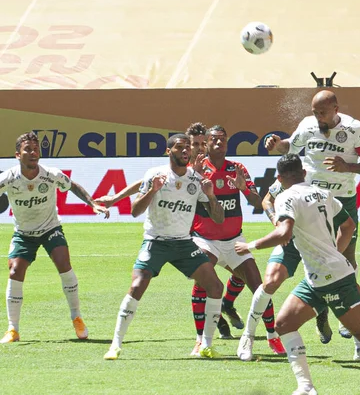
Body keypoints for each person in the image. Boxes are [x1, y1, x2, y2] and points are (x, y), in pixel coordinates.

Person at [234, 154, 360, 395]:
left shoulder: (285, 197)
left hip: (332, 277)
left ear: (279, 178)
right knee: (285, 324)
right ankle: (306, 387)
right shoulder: (323, 193)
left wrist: (251, 246)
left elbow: (284, 233)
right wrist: (335, 253)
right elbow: (348, 225)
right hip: (318, 276)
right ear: (303, 173)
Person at [95, 123, 246, 341]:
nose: (199, 148)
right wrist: (115, 198)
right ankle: (209, 330)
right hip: (190, 231)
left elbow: (215, 201)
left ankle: (225, 307)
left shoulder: (206, 167)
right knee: (203, 282)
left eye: (203, 144)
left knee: (235, 274)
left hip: (206, 228)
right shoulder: (180, 165)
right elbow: (144, 184)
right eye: (195, 144)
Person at [265, 89, 360, 339]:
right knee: (312, 257)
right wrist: (277, 145)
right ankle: (321, 308)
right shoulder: (307, 125)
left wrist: (347, 166)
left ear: (336, 109)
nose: (318, 117)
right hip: (312, 200)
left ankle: (346, 314)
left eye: (323, 113)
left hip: (343, 199)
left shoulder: (355, 129)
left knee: (345, 258)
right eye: (315, 112)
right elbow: (289, 148)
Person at [235, 178, 360, 362]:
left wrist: (333, 254)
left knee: (349, 282)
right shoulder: (292, 177)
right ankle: (247, 337)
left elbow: (347, 223)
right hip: (290, 242)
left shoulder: (324, 183)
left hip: (318, 245)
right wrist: (275, 219)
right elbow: (267, 200)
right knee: (271, 282)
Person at [0, 132, 110, 344]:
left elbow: (73, 186)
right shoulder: (9, 178)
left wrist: (92, 203)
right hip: (23, 233)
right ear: (17, 155)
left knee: (63, 263)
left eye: (36, 149)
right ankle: (13, 329)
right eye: (27, 150)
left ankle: (76, 317)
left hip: (51, 228)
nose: (33, 153)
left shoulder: (50, 174)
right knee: (15, 270)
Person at [188, 125, 285, 357]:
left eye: (222, 139)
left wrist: (243, 188)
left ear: (227, 143)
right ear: (207, 143)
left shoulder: (237, 168)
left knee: (259, 285)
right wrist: (196, 175)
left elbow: (255, 202)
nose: (218, 143)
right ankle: (201, 340)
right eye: (214, 140)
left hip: (234, 241)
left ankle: (272, 337)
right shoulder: (196, 169)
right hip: (206, 240)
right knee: (203, 282)